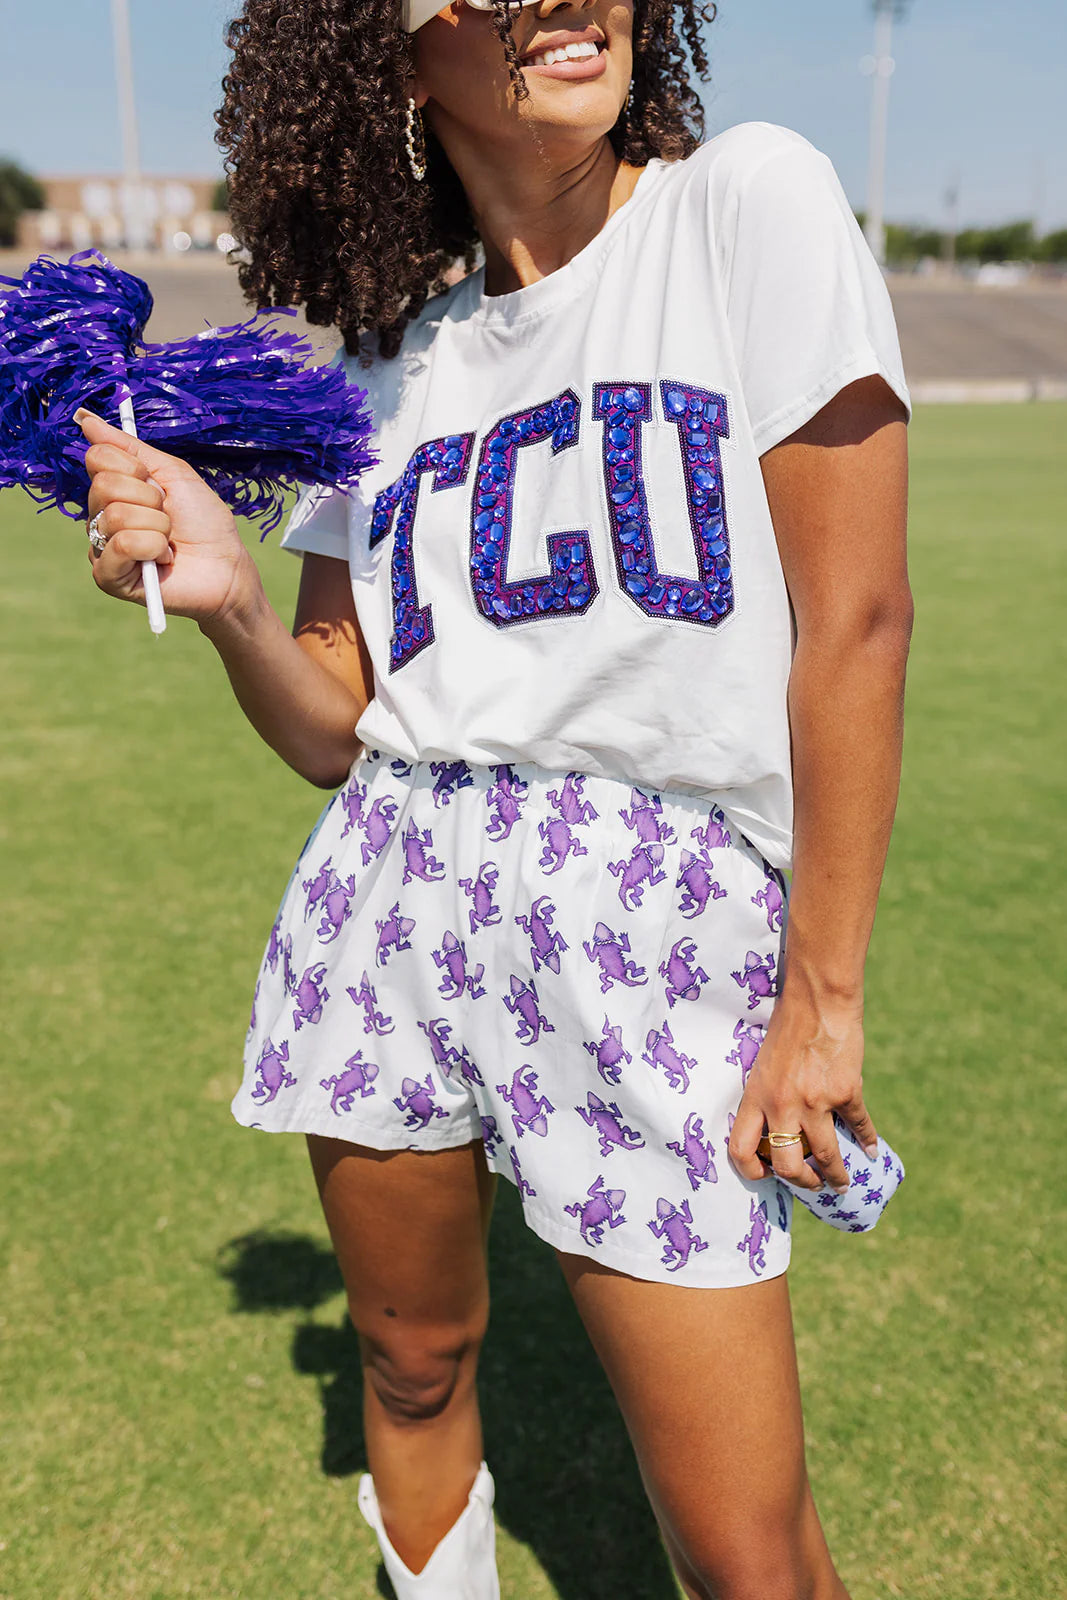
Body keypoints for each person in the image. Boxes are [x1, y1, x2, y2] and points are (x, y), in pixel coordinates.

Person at [75, 1, 913, 1595]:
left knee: (747, 1547)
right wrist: (236, 595)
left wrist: (826, 999)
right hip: (388, 895)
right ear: (381, 47)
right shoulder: (392, 349)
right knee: (408, 1365)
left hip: (652, 921)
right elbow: (338, 725)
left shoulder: (750, 201)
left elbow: (859, 625)